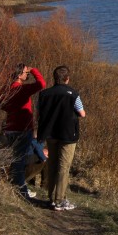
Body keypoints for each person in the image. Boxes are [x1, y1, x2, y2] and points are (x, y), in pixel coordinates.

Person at [0, 64, 46, 199]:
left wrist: (9, 109)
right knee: (19, 160)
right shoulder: (21, 89)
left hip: (9, 129)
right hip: (22, 129)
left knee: (10, 158)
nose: (27, 75)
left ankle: (16, 187)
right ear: (19, 75)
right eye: (25, 73)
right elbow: (41, 84)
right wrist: (33, 70)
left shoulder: (7, 89)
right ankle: (21, 190)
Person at [37, 65, 85, 211]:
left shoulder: (44, 94)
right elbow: (82, 113)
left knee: (52, 165)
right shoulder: (73, 94)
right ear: (67, 78)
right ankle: (59, 200)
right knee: (64, 166)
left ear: (54, 78)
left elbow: (39, 112)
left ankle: (51, 198)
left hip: (50, 133)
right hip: (68, 134)